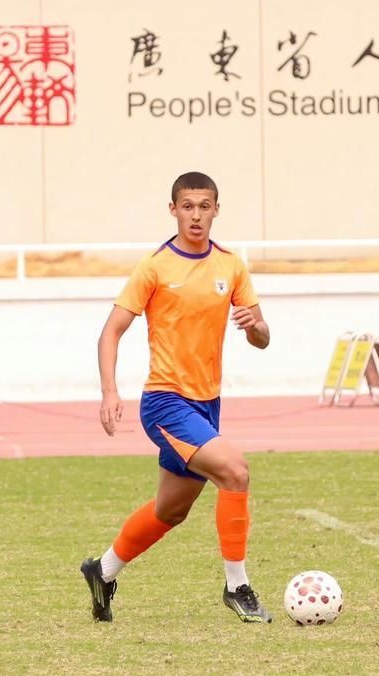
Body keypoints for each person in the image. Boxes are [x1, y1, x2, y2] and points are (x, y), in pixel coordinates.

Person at [80, 171, 272, 623]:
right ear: (173, 210)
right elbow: (111, 332)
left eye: (204, 206)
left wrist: (256, 327)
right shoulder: (155, 267)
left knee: (170, 510)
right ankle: (237, 586)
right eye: (187, 206)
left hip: (207, 405)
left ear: (216, 210)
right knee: (235, 471)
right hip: (165, 402)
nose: (196, 215)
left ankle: (102, 570)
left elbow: (262, 336)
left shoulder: (231, 265)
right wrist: (109, 391)